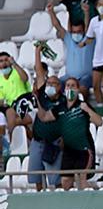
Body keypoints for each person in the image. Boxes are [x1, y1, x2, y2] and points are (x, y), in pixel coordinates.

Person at [37, 78, 103, 190]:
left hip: (84, 149)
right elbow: (44, 117)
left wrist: (88, 110)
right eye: (68, 86)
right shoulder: (60, 108)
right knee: (65, 181)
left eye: (73, 86)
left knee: (81, 178)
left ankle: (89, 201)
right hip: (68, 150)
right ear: (64, 89)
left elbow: (99, 122)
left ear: (78, 89)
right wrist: (38, 101)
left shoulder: (83, 106)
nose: (70, 88)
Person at [30, 58, 66, 191]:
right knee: (36, 176)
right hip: (37, 141)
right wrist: (37, 50)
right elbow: (39, 73)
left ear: (60, 87)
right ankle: (39, 201)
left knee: (55, 179)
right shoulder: (42, 97)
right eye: (48, 83)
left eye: (54, 83)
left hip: (54, 142)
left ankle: (59, 201)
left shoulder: (64, 102)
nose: (50, 86)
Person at [48, 2, 95, 96]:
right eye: (74, 32)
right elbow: (57, 26)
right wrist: (51, 12)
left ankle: (79, 108)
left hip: (85, 77)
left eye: (79, 31)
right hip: (68, 77)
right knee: (54, 86)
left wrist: (86, 13)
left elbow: (88, 26)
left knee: (82, 89)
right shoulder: (68, 39)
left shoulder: (89, 40)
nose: (76, 34)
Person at [0, 51, 31, 133]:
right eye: (1, 61)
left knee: (11, 119)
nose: (4, 63)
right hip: (12, 108)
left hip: (25, 104)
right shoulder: (0, 80)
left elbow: (25, 78)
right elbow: (1, 100)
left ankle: (11, 142)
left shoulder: (17, 71)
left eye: (6, 60)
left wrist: (14, 63)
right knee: (10, 113)